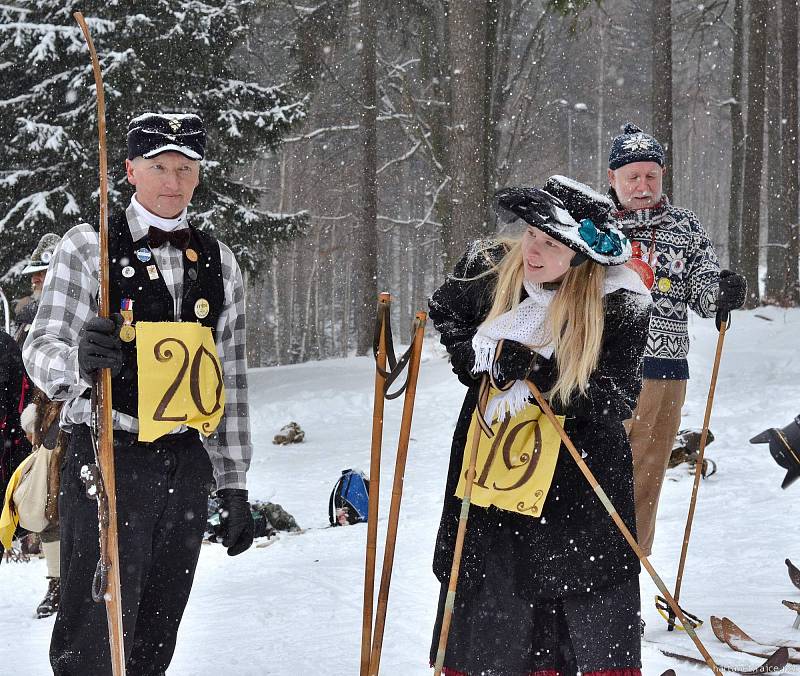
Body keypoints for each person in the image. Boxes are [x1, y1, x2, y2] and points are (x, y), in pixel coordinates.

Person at [23, 112, 255, 675]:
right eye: (158, 168)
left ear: (198, 175)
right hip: (110, 456)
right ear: (130, 170)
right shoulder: (89, 246)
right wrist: (78, 360)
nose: (171, 181)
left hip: (185, 461)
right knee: (96, 625)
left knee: (156, 625)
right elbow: (41, 346)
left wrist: (234, 483)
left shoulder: (220, 262)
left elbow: (232, 377)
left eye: (184, 168)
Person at [428, 175, 652, 676]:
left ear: (579, 254)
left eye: (551, 243)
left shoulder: (622, 304)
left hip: (577, 484)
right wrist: (481, 362)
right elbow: (446, 312)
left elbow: (616, 396)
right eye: (532, 233)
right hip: (493, 466)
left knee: (572, 591)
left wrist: (539, 369)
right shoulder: (489, 268)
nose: (533, 248)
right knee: (496, 597)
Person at [607, 123, 747, 557]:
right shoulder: (592, 226)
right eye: (633, 176)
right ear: (613, 178)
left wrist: (721, 292)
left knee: (644, 482)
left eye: (651, 175)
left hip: (662, 373)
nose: (643, 185)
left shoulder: (685, 226)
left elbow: (704, 291)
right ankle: (579, 591)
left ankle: (627, 583)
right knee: (589, 477)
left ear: (663, 176)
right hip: (599, 370)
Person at [17, 233, 65, 617]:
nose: (36, 282)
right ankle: (57, 581)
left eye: (42, 274)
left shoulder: (76, 309)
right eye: (33, 276)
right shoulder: (25, 321)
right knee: (47, 505)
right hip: (44, 427)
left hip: (76, 419)